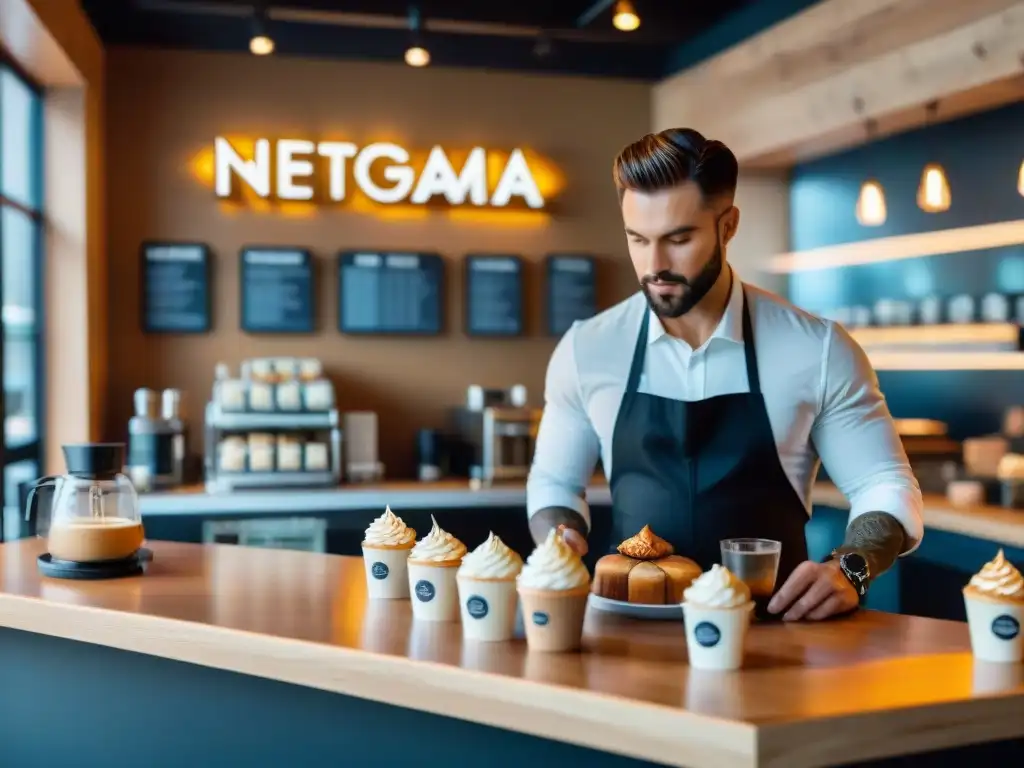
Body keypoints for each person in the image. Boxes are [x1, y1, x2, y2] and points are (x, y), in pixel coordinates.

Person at [526, 128, 923, 621]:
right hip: (627, 632)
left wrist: (852, 568)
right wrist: (559, 537)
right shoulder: (589, 348)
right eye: (638, 239)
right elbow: (555, 483)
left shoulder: (816, 348)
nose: (655, 265)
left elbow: (884, 484)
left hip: (778, 635)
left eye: (679, 239)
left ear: (728, 226)